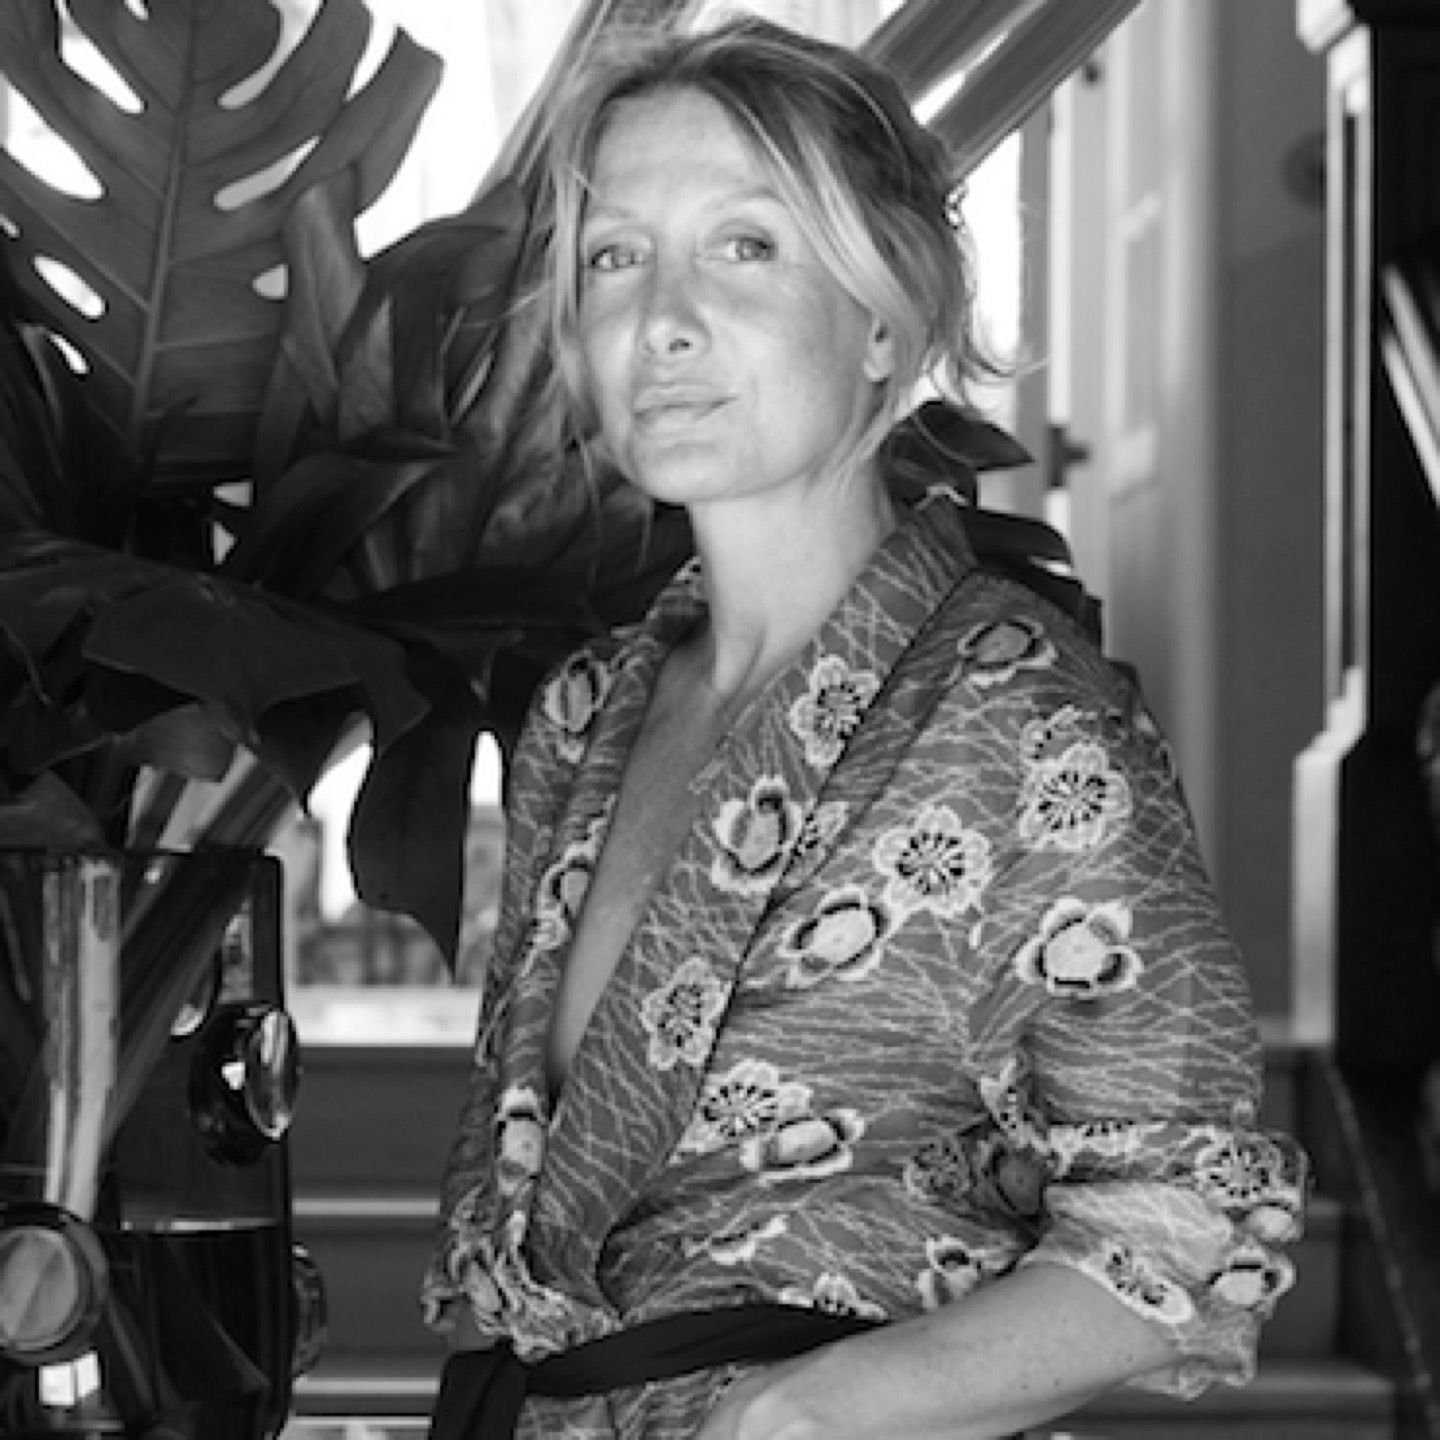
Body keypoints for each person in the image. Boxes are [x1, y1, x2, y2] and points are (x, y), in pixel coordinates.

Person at [420, 17, 1308, 1439]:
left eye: (746, 246)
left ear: (884, 317)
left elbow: (1188, 1221)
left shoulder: (1023, 718)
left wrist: (809, 1413)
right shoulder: (584, 716)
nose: (663, 319)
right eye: (616, 257)